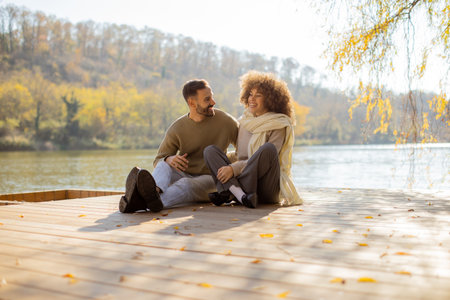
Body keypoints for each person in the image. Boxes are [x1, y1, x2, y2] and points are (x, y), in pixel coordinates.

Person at [119, 79, 239, 213]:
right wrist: (168, 159)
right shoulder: (177, 128)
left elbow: (244, 150)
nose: (213, 102)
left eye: (212, 97)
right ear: (192, 103)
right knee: (164, 165)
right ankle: (154, 193)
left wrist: (230, 163)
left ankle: (142, 201)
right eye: (207, 99)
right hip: (185, 174)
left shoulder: (226, 121)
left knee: (186, 184)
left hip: (213, 180)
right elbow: (158, 160)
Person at [203, 71, 302, 208]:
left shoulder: (279, 124)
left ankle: (230, 191)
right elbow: (240, 155)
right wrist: (222, 164)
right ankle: (241, 196)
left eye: (258, 96)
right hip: (244, 182)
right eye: (250, 94)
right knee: (210, 151)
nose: (252, 99)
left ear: (270, 99)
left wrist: (233, 169)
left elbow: (264, 159)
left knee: (267, 149)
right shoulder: (245, 122)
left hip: (265, 187)